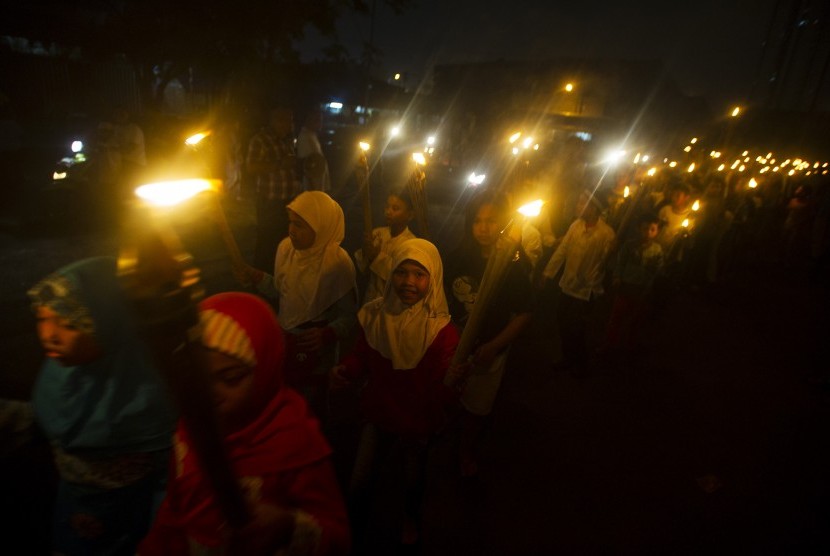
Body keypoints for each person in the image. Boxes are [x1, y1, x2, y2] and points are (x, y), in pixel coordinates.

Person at [139, 292, 350, 555]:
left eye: (231, 378)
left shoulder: (293, 441)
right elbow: (175, 509)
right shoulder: (192, 427)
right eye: (201, 377)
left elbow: (338, 536)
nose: (211, 392)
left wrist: (288, 525)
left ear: (264, 372)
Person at [26, 256, 177, 555]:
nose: (49, 336)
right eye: (43, 318)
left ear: (110, 325)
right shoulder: (58, 374)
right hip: (70, 511)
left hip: (129, 527)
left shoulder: (146, 401)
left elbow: (167, 485)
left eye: (69, 324)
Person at [330, 238, 459, 549]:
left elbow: (443, 383)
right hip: (379, 413)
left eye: (419, 274)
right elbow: (362, 355)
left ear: (434, 278)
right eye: (401, 273)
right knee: (360, 480)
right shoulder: (376, 315)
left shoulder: (441, 331)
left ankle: (410, 518)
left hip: (417, 422)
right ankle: (352, 531)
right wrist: (345, 369)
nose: (409, 282)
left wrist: (454, 380)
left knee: (412, 480)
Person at [236, 191, 357, 415]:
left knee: (310, 405)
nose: (292, 230)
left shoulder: (337, 263)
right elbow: (284, 291)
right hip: (286, 341)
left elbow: (349, 315)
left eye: (300, 225)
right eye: (291, 223)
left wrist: (327, 334)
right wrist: (258, 278)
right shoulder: (286, 250)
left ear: (321, 227)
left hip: (317, 351)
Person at [445, 189, 533, 477]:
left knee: (476, 409)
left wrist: (495, 345)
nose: (484, 228)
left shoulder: (515, 264)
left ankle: (464, 452)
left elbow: (524, 313)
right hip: (455, 346)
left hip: (488, 353)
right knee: (448, 399)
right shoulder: (459, 257)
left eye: (492, 221)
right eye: (477, 221)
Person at [541, 188, 616, 375]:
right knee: (562, 320)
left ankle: (579, 362)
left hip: (586, 290)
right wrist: (547, 273)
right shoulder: (575, 226)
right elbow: (562, 251)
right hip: (568, 285)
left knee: (576, 327)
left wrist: (612, 252)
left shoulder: (606, 234)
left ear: (594, 208)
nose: (578, 205)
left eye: (583, 202)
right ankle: (569, 356)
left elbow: (608, 263)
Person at [602, 214, 664, 356]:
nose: (648, 232)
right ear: (639, 229)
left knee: (635, 319)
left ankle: (629, 346)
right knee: (617, 317)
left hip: (642, 289)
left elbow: (659, 270)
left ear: (657, 231)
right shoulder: (629, 245)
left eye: (652, 229)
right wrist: (617, 277)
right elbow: (620, 262)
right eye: (645, 229)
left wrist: (656, 269)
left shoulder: (657, 250)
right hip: (626, 286)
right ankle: (609, 345)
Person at [246, 106, 299, 272]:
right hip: (270, 202)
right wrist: (280, 164)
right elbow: (251, 167)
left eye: (291, 120)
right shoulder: (260, 140)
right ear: (276, 121)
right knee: (266, 241)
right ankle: (260, 277)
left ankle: (278, 275)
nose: (291, 124)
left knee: (283, 240)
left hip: (288, 200)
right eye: (287, 120)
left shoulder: (286, 140)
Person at [353, 189, 417, 304]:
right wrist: (366, 251)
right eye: (387, 207)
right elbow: (364, 270)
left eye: (395, 208)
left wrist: (376, 257)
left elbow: (403, 277)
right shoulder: (377, 233)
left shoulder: (412, 243)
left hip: (393, 305)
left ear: (410, 215)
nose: (388, 211)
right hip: (370, 301)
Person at [296, 106, 331, 193]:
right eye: (317, 120)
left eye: (321, 120)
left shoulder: (312, 135)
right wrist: (312, 188)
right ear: (309, 120)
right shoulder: (305, 137)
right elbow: (307, 165)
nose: (320, 123)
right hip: (312, 187)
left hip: (317, 185)